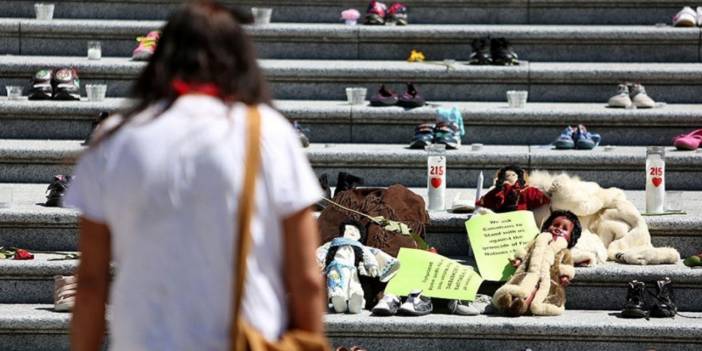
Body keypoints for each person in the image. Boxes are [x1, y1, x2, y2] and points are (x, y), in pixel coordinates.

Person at [65, 1, 326, 350]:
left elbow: (91, 284)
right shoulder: (268, 133)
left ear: (164, 58)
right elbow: (307, 278)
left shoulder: (115, 139)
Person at [492, 210, 582, 316]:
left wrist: (565, 276)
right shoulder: (537, 241)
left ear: (571, 238)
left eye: (564, 229)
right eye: (555, 225)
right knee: (522, 287)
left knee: (535, 291)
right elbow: (525, 251)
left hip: (546, 278)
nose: (558, 229)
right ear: (547, 227)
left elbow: (567, 265)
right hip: (529, 272)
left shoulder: (564, 251)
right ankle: (508, 301)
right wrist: (518, 260)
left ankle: (520, 306)